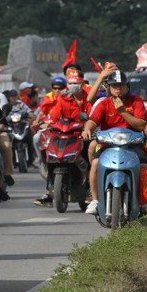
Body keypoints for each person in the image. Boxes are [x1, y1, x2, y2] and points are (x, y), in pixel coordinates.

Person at [81, 69, 147, 216]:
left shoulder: (136, 101)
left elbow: (141, 125)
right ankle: (95, 199)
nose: (118, 88)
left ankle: (143, 199)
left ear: (127, 86)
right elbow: (92, 121)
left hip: (132, 144)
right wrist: (87, 129)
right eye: (115, 85)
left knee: (143, 165)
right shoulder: (103, 104)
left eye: (121, 85)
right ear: (109, 87)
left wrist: (123, 111)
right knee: (95, 164)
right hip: (109, 144)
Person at [34, 70, 92, 207]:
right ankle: (49, 192)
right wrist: (46, 123)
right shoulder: (64, 98)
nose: (73, 86)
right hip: (65, 135)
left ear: (82, 83)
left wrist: (87, 128)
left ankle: (90, 189)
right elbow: (54, 116)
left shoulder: (89, 98)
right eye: (70, 83)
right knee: (51, 156)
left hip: (83, 135)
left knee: (90, 155)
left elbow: (92, 117)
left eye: (76, 83)